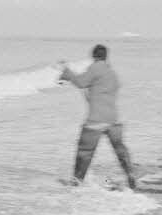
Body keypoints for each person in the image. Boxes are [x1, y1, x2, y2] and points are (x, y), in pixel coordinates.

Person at [58, 44, 136, 189]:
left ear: (94, 56)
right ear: (106, 56)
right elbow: (99, 92)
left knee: (85, 152)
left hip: (95, 120)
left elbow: (81, 82)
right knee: (120, 149)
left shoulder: (95, 68)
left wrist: (67, 72)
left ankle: (77, 181)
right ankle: (130, 174)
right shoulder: (112, 73)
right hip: (113, 120)